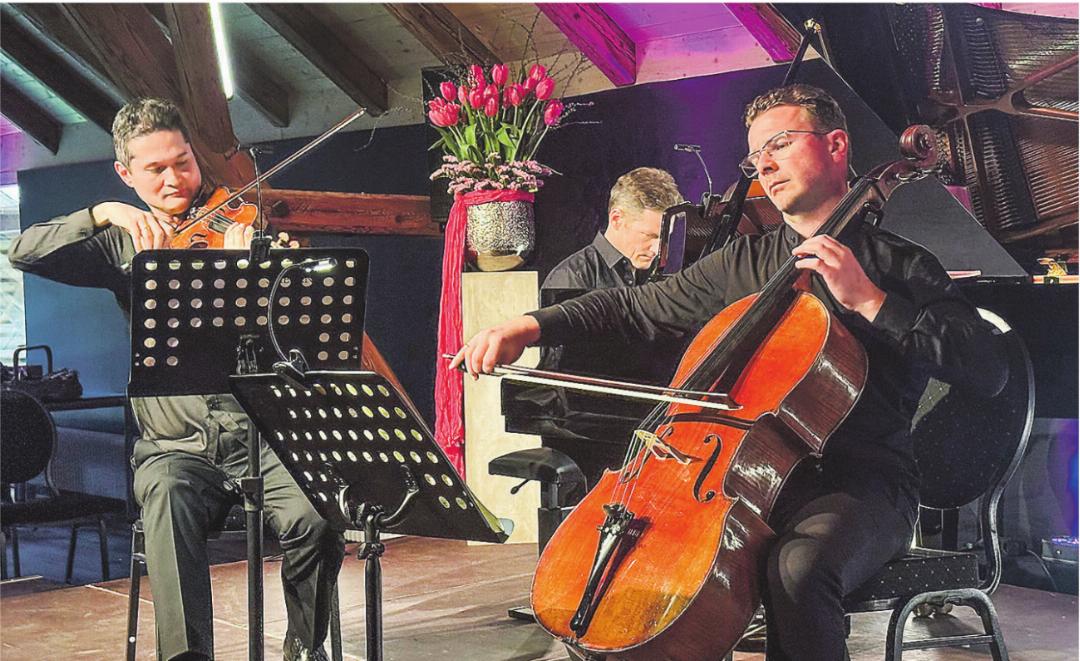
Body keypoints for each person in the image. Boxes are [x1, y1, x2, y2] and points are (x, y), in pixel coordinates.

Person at [450, 84, 1008, 660]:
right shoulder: (744, 262)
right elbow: (632, 307)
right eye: (755, 154)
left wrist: (871, 301)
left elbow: (987, 370)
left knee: (796, 568)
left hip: (863, 486)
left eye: (780, 144)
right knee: (630, 568)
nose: (764, 164)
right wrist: (528, 327)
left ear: (836, 145)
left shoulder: (901, 266)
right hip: (743, 482)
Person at [8, 98, 343, 661]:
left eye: (182, 163)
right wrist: (102, 213)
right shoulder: (123, 242)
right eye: (155, 169)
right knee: (164, 498)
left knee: (317, 515)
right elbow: (24, 251)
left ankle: (303, 647)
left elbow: (298, 333)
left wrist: (258, 274)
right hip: (175, 447)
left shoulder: (242, 225)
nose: (174, 180)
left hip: (263, 437)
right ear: (126, 175)